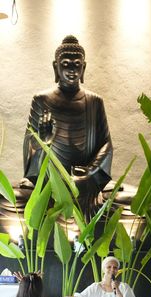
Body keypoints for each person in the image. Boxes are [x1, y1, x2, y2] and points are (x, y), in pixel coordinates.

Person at [4, 35, 112, 219]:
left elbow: (106, 145)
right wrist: (43, 142)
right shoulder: (41, 100)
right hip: (49, 182)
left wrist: (90, 170)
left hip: (84, 181)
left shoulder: (95, 102)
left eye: (77, 64)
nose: (72, 69)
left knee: (126, 199)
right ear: (56, 67)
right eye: (66, 64)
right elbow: (30, 146)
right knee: (9, 199)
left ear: (84, 67)